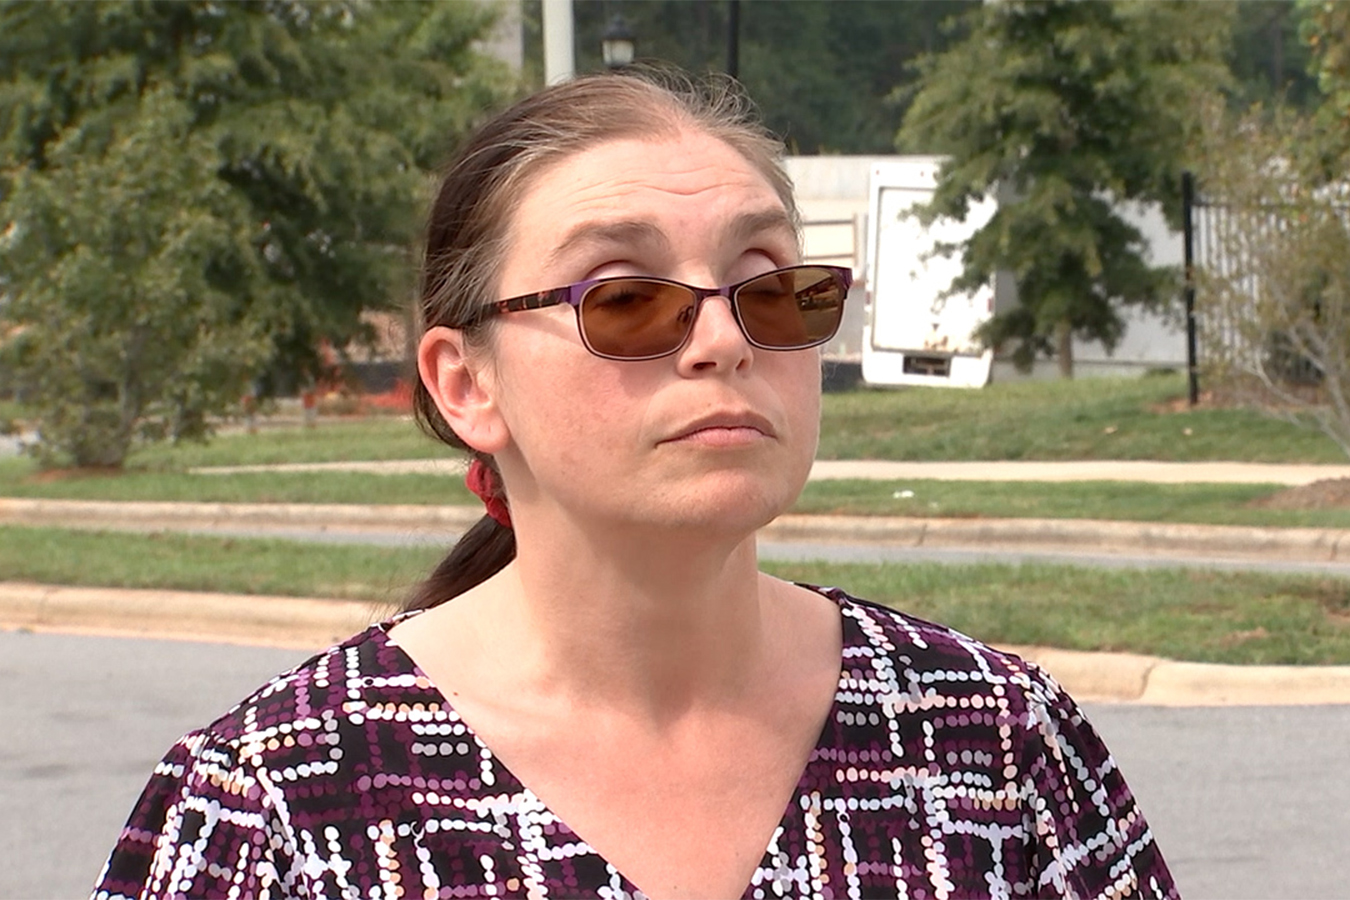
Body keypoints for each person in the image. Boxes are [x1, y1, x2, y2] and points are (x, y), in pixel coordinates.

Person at [92, 69, 1176, 900]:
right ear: (466, 384)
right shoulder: (279, 802)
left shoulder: (992, 741)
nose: (723, 340)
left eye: (768, 287)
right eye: (623, 298)